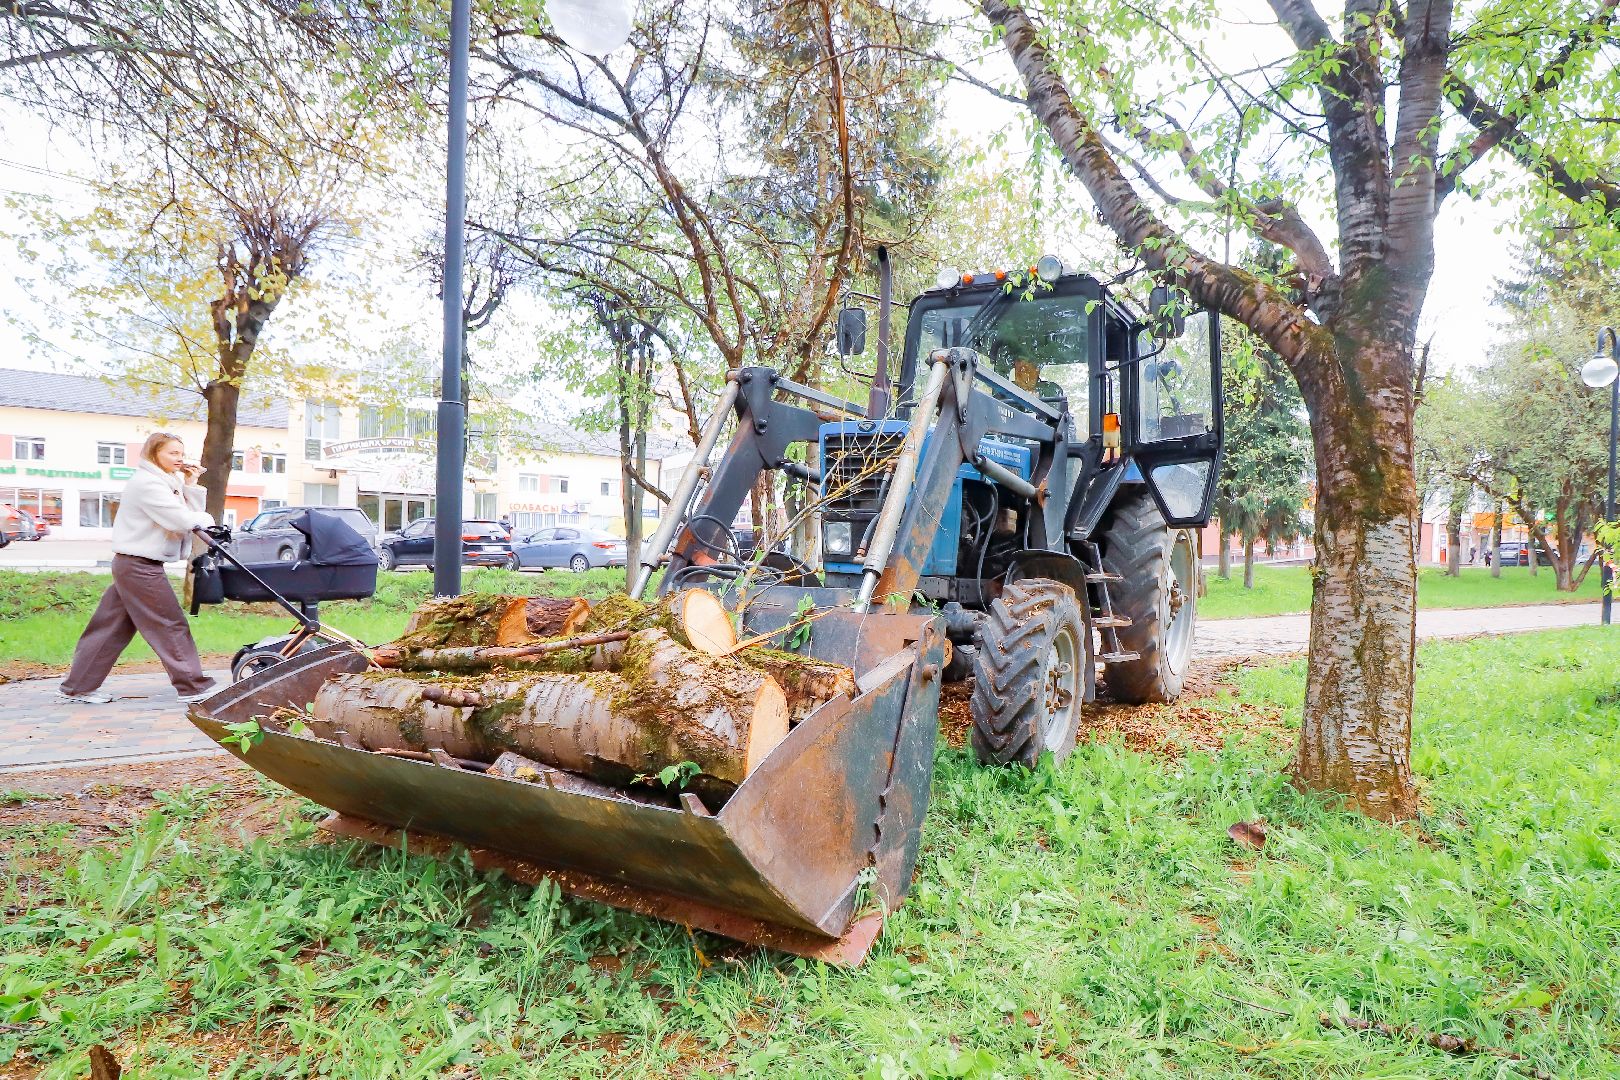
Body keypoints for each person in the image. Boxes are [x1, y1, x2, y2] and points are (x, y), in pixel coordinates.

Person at [58, 433, 217, 705]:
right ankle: (193, 686)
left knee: (109, 626)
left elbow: (185, 514)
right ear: (153, 454)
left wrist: (190, 484)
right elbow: (180, 520)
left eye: (181, 452)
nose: (179, 458)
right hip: (139, 565)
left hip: (133, 563)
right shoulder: (148, 484)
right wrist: (207, 520)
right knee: (169, 624)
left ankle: (78, 686)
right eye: (171, 453)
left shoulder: (164, 481)